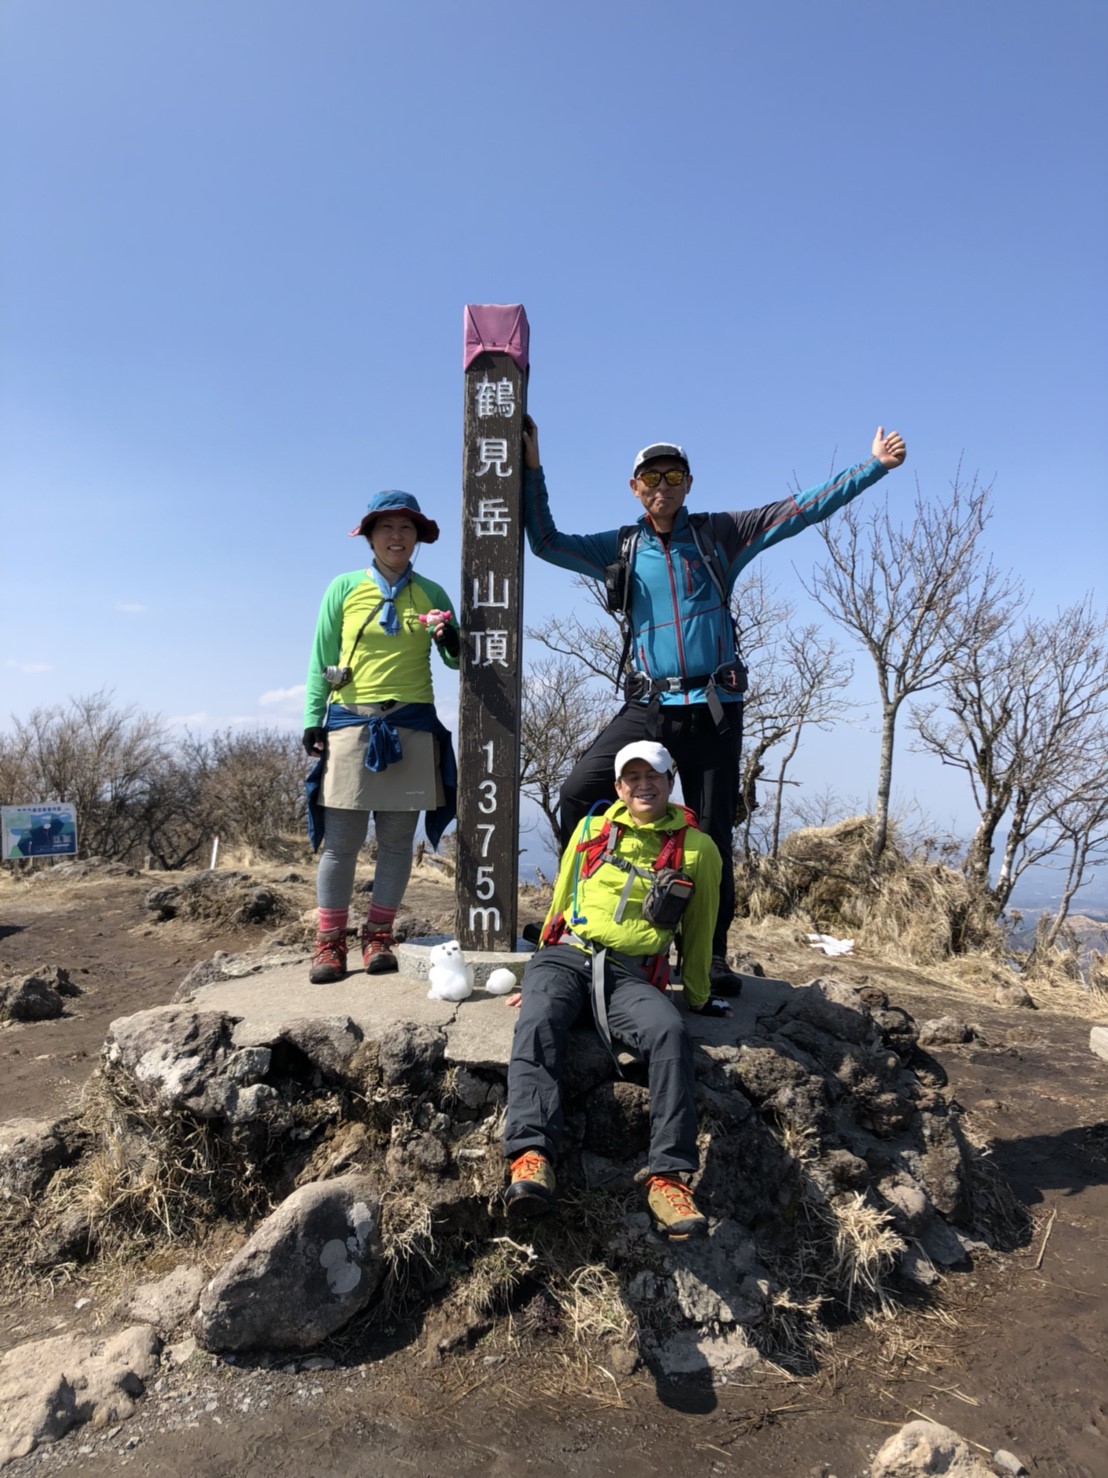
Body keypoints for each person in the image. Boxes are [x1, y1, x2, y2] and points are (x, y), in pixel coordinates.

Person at [521, 417, 907, 994]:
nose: (661, 485)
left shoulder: (718, 534)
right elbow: (546, 542)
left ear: (689, 482)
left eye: (672, 475)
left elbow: (800, 510)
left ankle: (711, 953)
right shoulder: (623, 545)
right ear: (634, 487)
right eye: (650, 477)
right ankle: (596, 912)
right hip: (649, 705)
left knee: (714, 836)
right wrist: (532, 468)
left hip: (713, 707)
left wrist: (872, 467)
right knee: (579, 792)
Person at [502, 741, 731, 1239]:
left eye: (654, 776)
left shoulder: (698, 849)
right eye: (632, 778)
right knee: (539, 1018)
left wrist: (695, 996)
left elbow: (699, 930)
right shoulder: (591, 829)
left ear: (671, 782)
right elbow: (561, 897)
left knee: (669, 1032)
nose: (643, 785)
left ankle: (668, 1177)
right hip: (566, 954)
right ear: (618, 788)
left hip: (631, 972)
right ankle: (530, 1155)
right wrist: (537, 974)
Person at [302, 490, 459, 984]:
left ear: (418, 538)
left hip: (412, 723)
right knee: (341, 843)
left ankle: (378, 936)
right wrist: (312, 717)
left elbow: (457, 660)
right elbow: (319, 655)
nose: (397, 537)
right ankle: (329, 944)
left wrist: (449, 637)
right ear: (370, 537)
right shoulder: (343, 588)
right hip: (351, 720)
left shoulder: (432, 593)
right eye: (387, 528)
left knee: (395, 842)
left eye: (406, 528)